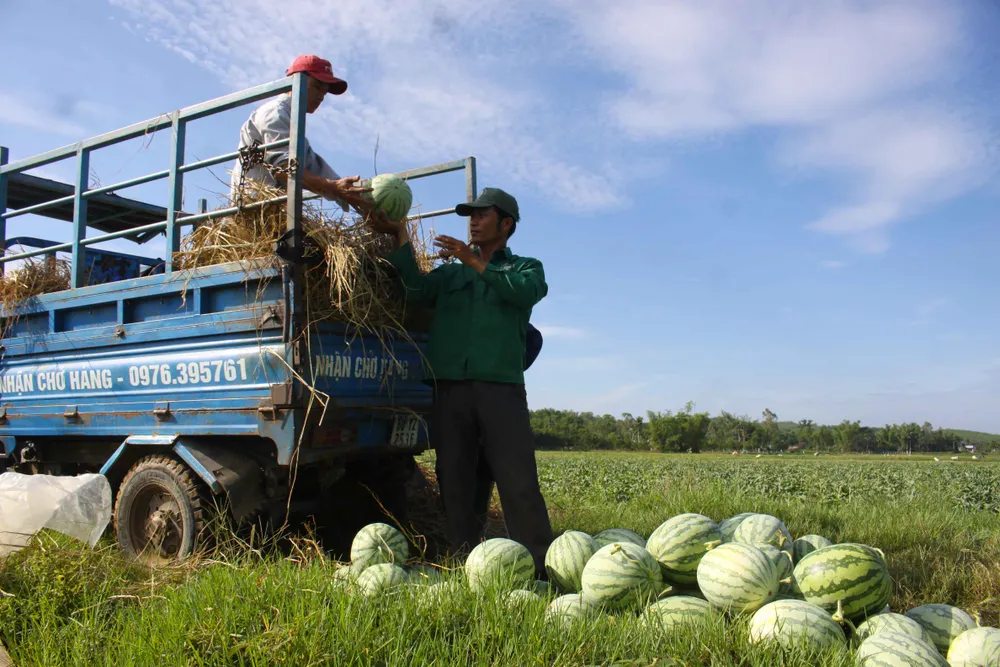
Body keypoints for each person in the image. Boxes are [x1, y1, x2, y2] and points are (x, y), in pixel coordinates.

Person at [371, 187, 554, 573]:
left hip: (500, 390)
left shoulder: (525, 268)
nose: (472, 220)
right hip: (450, 387)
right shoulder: (451, 272)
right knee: (454, 477)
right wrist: (401, 233)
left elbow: (522, 294)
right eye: (469, 215)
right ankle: (464, 557)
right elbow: (416, 291)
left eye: (482, 214)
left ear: (506, 224)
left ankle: (538, 564)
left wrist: (471, 260)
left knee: (517, 479)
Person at [230, 54, 372, 212]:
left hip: (275, 212)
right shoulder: (275, 113)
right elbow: (285, 170)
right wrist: (335, 187)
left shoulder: (294, 123)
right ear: (294, 81)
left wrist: (360, 191)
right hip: (254, 209)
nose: (321, 97)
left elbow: (315, 168)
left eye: (324, 92)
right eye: (317, 86)